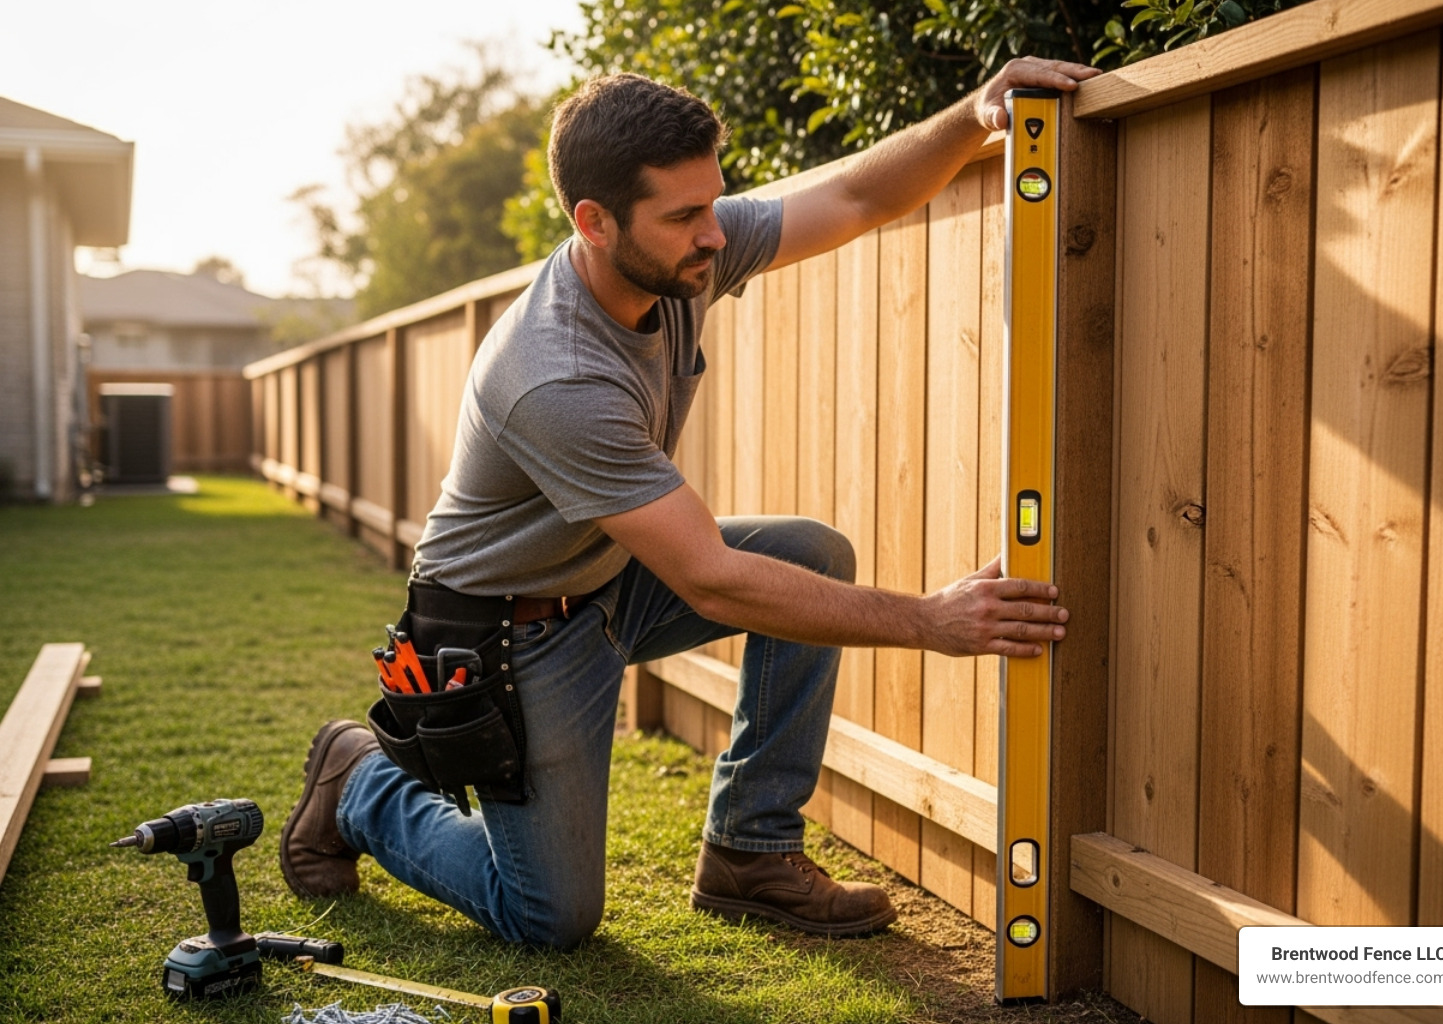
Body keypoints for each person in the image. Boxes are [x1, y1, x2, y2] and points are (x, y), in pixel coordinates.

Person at [279, 56, 1098, 948]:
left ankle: (750, 849)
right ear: (593, 222)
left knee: (806, 553)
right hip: (506, 630)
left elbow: (857, 200)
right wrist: (932, 621)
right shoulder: (554, 376)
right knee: (547, 915)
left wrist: (974, 116)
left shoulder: (679, 258)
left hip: (603, 577)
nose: (713, 233)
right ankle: (359, 781)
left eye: (713, 203)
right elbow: (711, 582)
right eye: (684, 217)